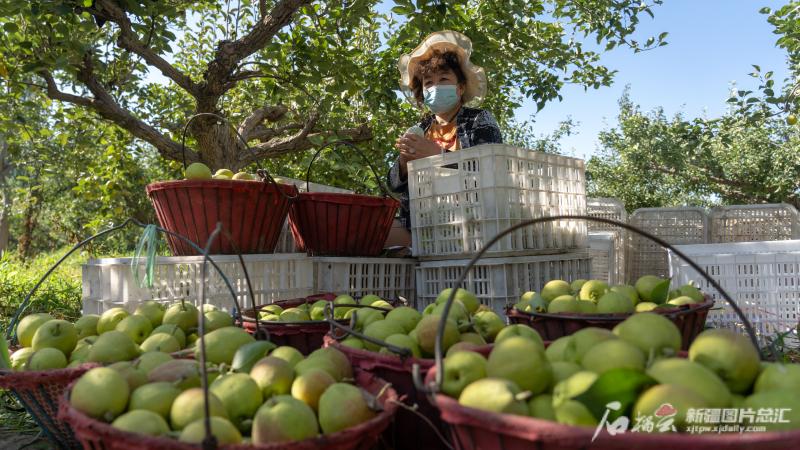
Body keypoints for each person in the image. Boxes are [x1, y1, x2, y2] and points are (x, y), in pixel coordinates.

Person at [387, 30, 504, 243]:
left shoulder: (479, 120)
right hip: (423, 221)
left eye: (443, 79)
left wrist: (439, 155)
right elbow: (394, 185)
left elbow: (492, 171)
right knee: (370, 235)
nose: (435, 86)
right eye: (429, 82)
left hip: (472, 221)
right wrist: (403, 164)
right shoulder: (420, 129)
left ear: (459, 88)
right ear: (422, 92)